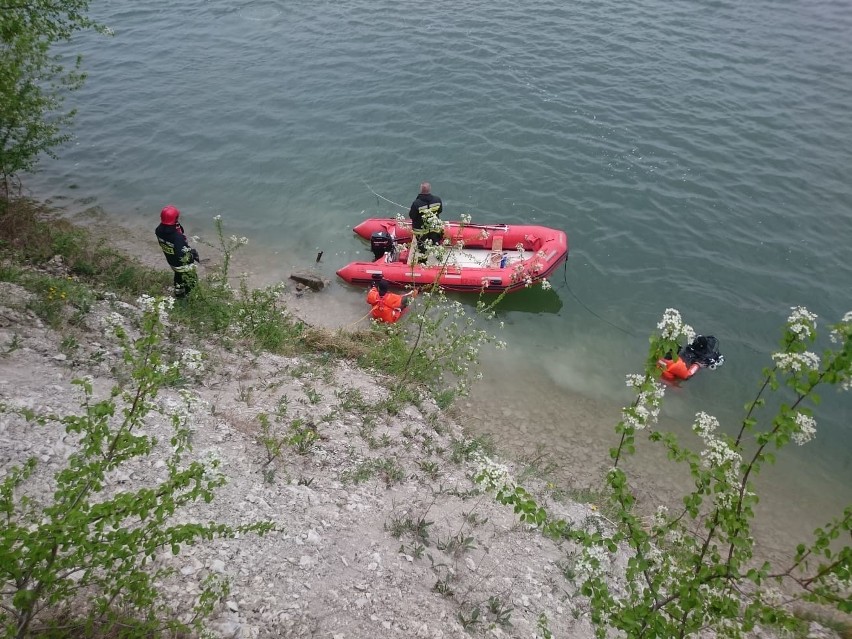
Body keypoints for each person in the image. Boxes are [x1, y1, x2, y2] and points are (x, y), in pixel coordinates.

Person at [155, 205, 200, 298]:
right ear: (175, 218)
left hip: (171, 261)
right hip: (182, 265)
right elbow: (181, 254)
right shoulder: (177, 237)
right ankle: (191, 298)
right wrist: (192, 254)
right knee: (191, 281)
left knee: (179, 277)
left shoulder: (158, 230)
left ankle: (179, 295)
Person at [658, 335, 723, 382]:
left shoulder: (658, 354)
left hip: (660, 373)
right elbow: (687, 375)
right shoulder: (678, 365)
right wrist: (697, 365)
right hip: (669, 379)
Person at [408, 182, 443, 263]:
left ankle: (423, 261)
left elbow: (412, 216)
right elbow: (440, 211)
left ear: (421, 190)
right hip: (434, 227)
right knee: (436, 242)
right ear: (430, 189)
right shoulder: (437, 200)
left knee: (422, 246)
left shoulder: (416, 203)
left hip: (421, 230)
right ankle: (439, 256)